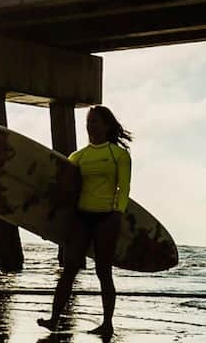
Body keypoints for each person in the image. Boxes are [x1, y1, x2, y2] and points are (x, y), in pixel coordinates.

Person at [39, 105, 133, 335]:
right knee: (69, 269)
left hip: (106, 218)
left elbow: (124, 187)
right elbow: (67, 191)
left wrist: (118, 214)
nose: (90, 126)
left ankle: (107, 324)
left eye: (95, 122)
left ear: (107, 126)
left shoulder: (118, 155)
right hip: (81, 217)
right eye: (88, 122)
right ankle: (54, 319)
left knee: (103, 271)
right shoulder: (78, 156)